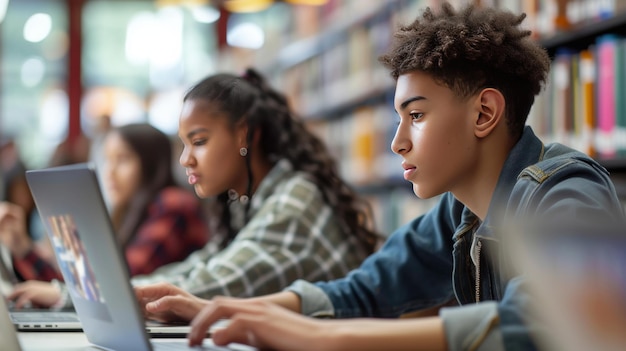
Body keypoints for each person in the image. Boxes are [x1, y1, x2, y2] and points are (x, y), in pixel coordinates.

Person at [133, 3, 625, 351]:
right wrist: (232, 310)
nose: (397, 143)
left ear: (484, 114)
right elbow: (367, 289)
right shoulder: (460, 211)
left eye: (416, 115)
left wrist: (324, 338)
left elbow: (535, 326)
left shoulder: (566, 192)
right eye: (397, 119)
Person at [10, 68, 380, 310]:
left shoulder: (294, 203)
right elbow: (194, 271)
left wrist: (68, 297)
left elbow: (206, 285)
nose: (186, 159)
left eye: (199, 141)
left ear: (246, 135)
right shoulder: (246, 203)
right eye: (183, 144)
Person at [5, 123, 210, 308]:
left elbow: (115, 286)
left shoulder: (173, 204)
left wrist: (66, 269)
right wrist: (22, 247)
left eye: (122, 159)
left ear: (150, 164)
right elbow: (87, 287)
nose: (109, 172)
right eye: (107, 160)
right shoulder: (128, 213)